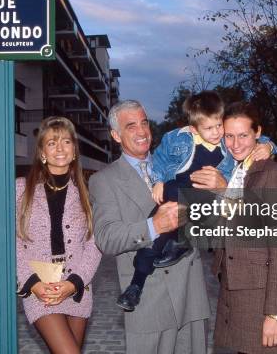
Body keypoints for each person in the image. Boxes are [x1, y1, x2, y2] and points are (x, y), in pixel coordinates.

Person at [116, 91, 276, 311]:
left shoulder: (227, 144)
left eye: (219, 126)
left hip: (207, 199)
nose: (217, 132)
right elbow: (160, 159)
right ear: (194, 129)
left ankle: (183, 240)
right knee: (158, 233)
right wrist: (159, 181)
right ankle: (136, 285)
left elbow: (252, 135)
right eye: (209, 128)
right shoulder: (177, 138)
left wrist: (268, 147)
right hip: (177, 195)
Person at [89, 100, 218, 353]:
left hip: (191, 298)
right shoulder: (103, 180)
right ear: (116, 135)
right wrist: (153, 226)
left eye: (144, 122)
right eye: (131, 126)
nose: (141, 131)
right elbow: (106, 237)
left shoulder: (177, 159)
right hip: (148, 303)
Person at [212, 102, 277, 354]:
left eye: (243, 135)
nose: (235, 144)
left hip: (261, 294)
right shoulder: (235, 170)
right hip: (232, 290)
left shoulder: (272, 173)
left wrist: (274, 313)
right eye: (229, 136)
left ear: (258, 133)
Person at [16, 116, 101, 354]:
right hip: (39, 286)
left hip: (77, 288)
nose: (60, 148)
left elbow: (95, 244)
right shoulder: (21, 188)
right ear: (42, 151)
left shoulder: (87, 190)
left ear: (74, 150)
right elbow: (12, 242)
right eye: (52, 143)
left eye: (66, 141)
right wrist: (32, 283)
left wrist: (74, 283)